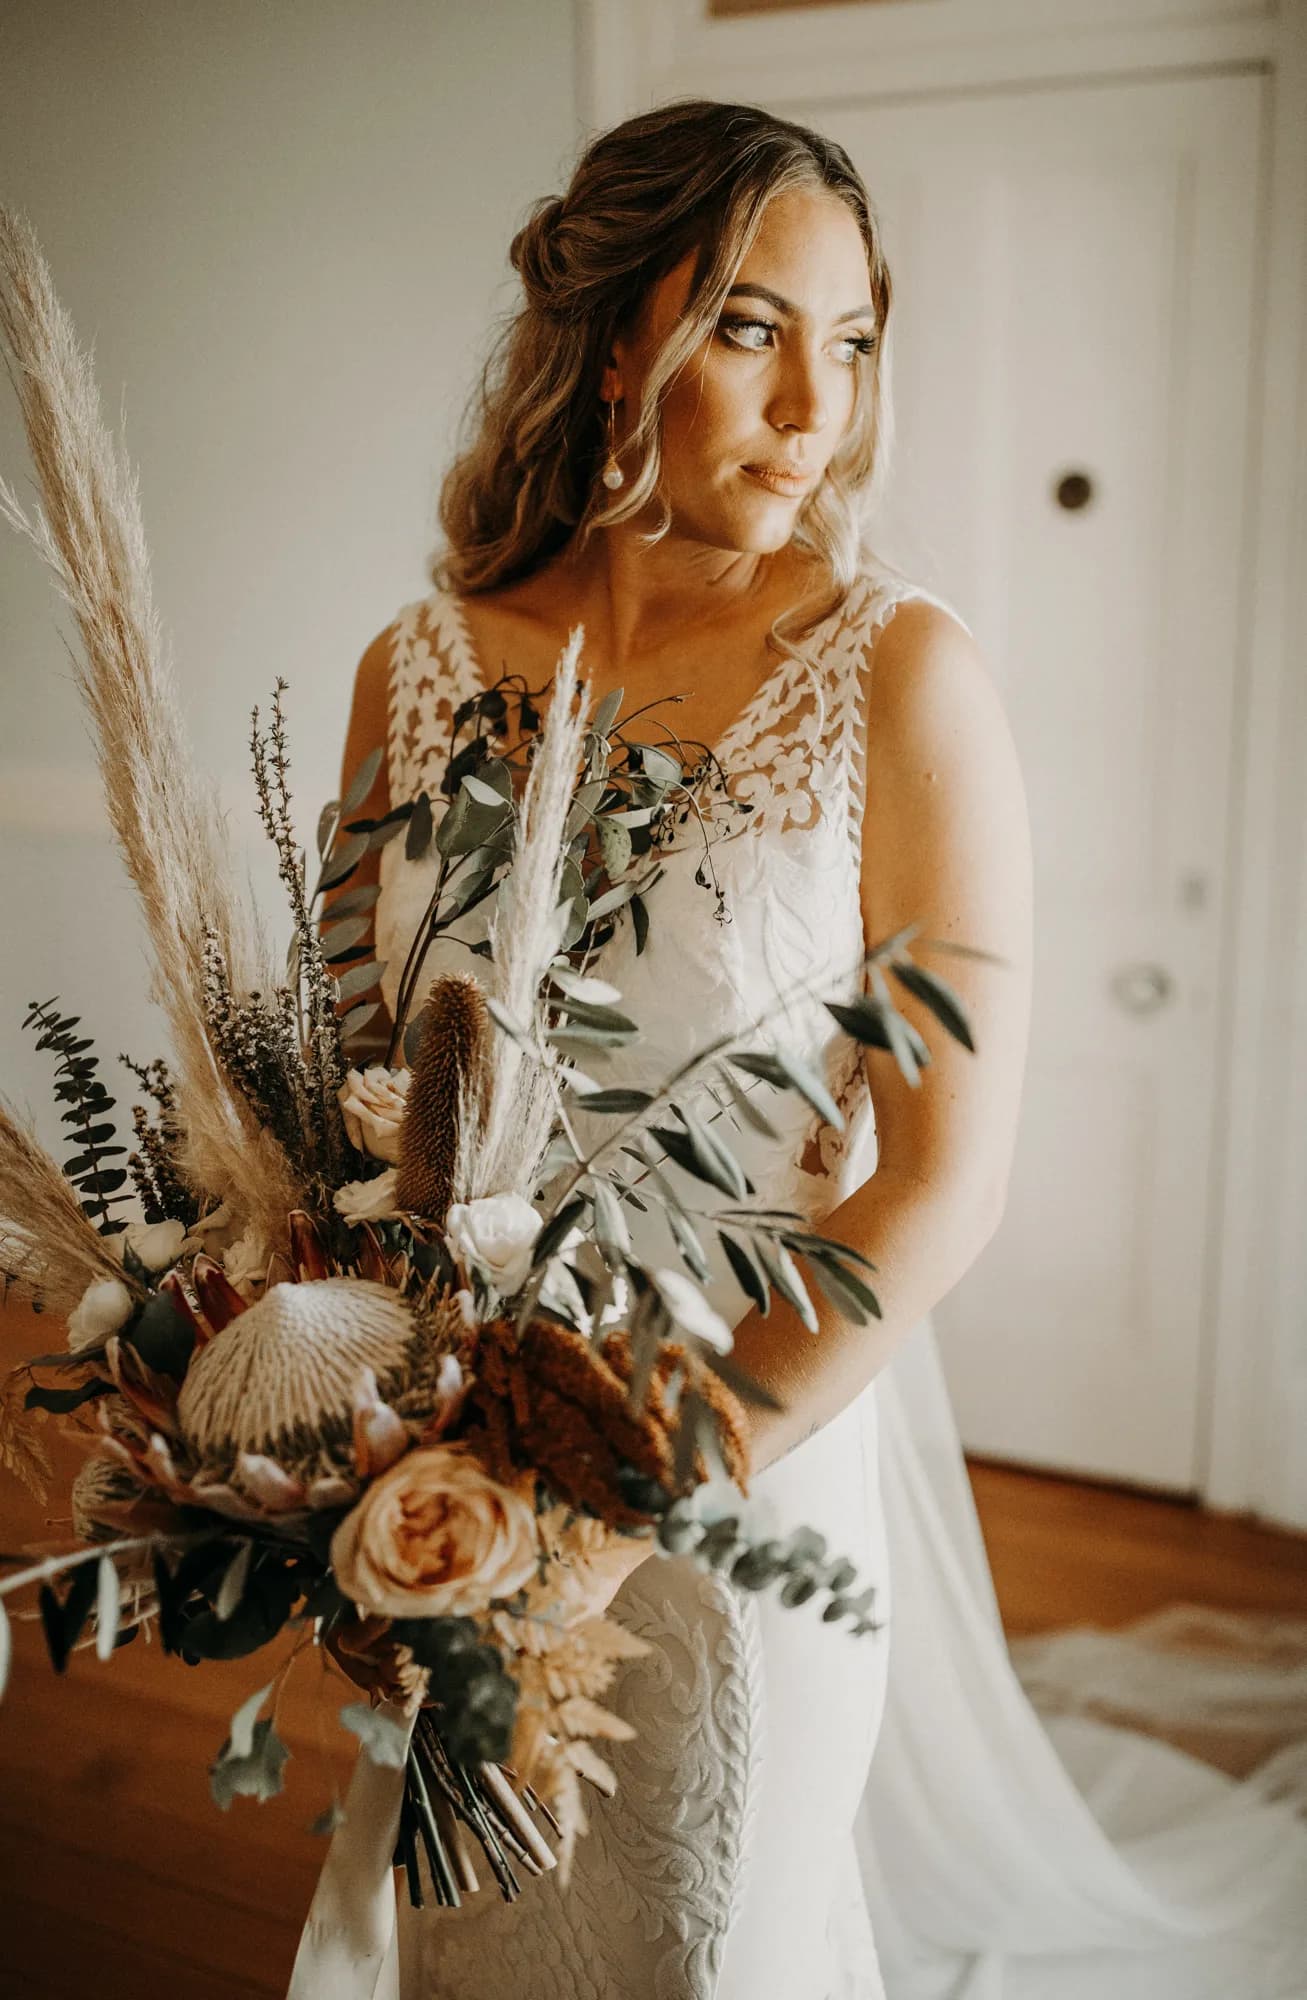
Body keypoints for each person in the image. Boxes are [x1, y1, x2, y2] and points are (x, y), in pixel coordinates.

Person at [290, 99, 1307, 2000]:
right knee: (446, 1944)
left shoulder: (903, 678)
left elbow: (943, 1180)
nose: (814, 403)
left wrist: (624, 1493)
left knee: (708, 1940)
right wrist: (341, 1417)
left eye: (851, 343)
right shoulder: (411, 666)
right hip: (437, 1467)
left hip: (744, 1469)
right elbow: (343, 1082)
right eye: (755, 328)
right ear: (612, 340)